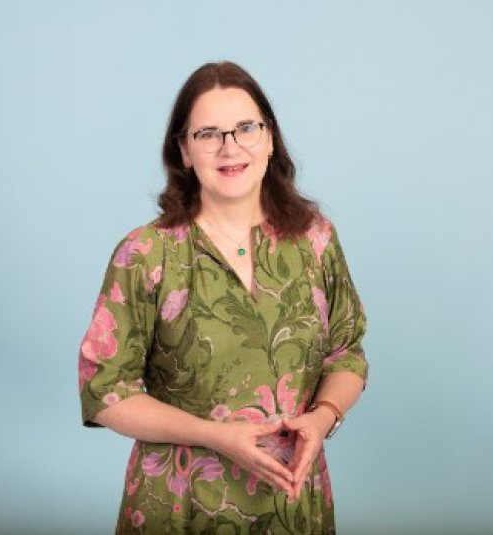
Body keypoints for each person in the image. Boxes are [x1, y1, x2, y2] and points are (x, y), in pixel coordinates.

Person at [78, 61, 367, 533]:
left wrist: (322, 419)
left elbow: (347, 353)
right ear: (184, 151)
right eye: (208, 134)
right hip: (181, 506)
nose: (230, 147)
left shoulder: (315, 240)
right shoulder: (146, 254)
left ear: (270, 139)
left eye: (246, 128)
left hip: (294, 502)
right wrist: (213, 436)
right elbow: (105, 390)